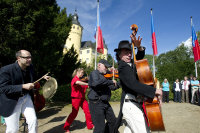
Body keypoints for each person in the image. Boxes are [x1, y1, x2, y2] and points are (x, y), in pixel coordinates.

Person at [113, 33, 162, 132]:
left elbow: (139, 59)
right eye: (126, 52)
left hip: (135, 104)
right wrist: (154, 91)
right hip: (131, 106)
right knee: (144, 131)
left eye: (130, 52)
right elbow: (133, 84)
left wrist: (139, 47)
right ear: (119, 54)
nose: (129, 54)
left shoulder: (130, 64)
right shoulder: (122, 66)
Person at [0, 50, 49, 133]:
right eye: (27, 58)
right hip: (12, 100)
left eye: (30, 57)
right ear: (18, 58)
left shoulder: (30, 67)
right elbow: (3, 88)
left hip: (26, 98)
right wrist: (22, 86)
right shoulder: (6, 70)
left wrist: (43, 77)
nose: (29, 59)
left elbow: (34, 77)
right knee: (13, 129)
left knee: (33, 121)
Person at [88, 59, 119, 133]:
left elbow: (111, 87)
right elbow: (96, 83)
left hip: (105, 103)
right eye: (105, 66)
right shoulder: (94, 73)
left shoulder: (104, 76)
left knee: (113, 122)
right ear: (99, 65)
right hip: (96, 103)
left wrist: (120, 84)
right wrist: (111, 81)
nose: (107, 69)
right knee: (100, 128)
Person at [63, 68, 93, 133]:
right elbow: (78, 82)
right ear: (78, 72)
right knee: (74, 113)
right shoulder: (75, 79)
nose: (83, 74)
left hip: (82, 98)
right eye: (82, 72)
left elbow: (86, 86)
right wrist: (87, 83)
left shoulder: (81, 80)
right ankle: (66, 127)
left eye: (83, 73)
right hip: (76, 99)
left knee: (88, 111)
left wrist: (92, 84)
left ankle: (90, 125)